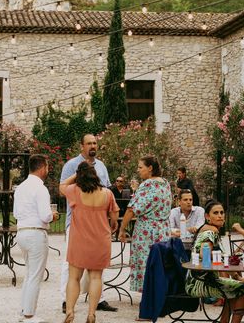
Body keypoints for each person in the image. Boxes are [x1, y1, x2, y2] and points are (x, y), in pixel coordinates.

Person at [59, 134, 116, 313]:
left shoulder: (102, 166)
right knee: (70, 266)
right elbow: (63, 189)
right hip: (76, 222)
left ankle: (99, 300)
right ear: (82, 146)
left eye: (95, 143)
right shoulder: (70, 165)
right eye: (89, 143)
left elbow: (106, 188)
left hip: (97, 223)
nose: (93, 146)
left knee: (95, 268)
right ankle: (65, 300)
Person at [185, 200, 244, 323]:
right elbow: (205, 256)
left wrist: (235, 275)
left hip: (197, 278)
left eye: (221, 212)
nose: (220, 215)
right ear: (207, 217)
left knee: (234, 288)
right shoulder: (210, 232)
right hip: (200, 282)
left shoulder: (208, 230)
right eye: (215, 213)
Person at [14, 154, 59, 323]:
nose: (47, 170)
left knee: (29, 273)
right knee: (35, 275)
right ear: (42, 168)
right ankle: (29, 314)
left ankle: (24, 309)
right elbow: (45, 215)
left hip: (22, 231)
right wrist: (53, 215)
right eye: (47, 167)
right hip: (35, 233)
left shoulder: (20, 187)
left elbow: (16, 213)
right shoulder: (41, 188)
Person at [118, 156, 171, 294]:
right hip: (163, 230)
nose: (138, 170)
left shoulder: (147, 185)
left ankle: (149, 298)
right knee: (160, 263)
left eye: (140, 167)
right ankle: (160, 293)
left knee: (146, 263)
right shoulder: (166, 183)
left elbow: (132, 209)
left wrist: (122, 229)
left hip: (147, 232)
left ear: (150, 168)